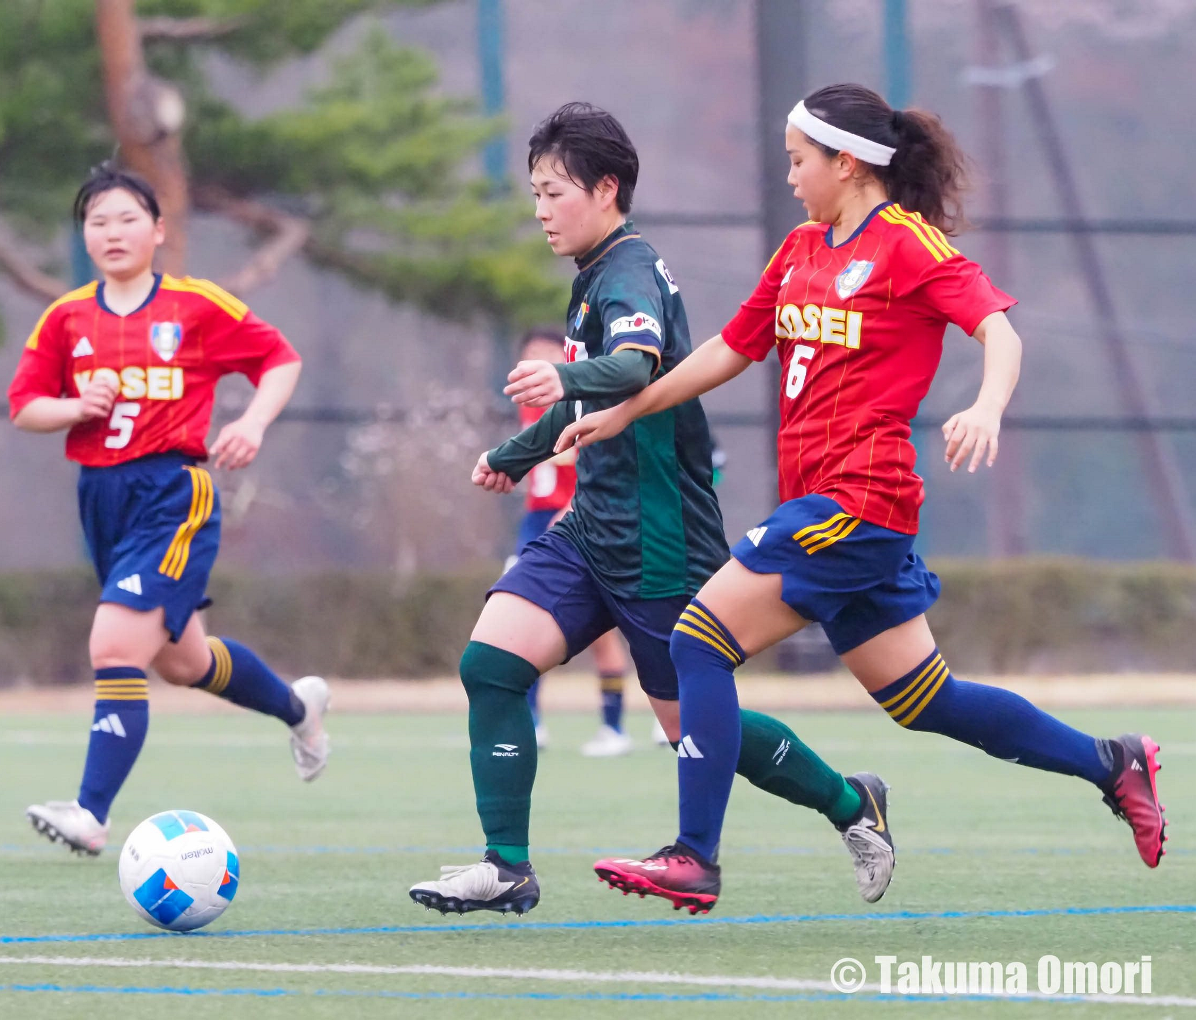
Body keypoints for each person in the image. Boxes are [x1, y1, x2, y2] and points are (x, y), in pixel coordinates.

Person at [557, 83, 1167, 914]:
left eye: (799, 161)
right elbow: (729, 352)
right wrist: (619, 411)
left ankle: (693, 857)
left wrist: (984, 406)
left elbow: (999, 329)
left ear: (848, 164)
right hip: (833, 510)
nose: (791, 177)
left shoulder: (907, 245)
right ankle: (1113, 761)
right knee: (926, 700)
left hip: (859, 499)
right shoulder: (801, 249)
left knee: (698, 638)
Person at [407, 103, 891, 917]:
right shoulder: (594, 276)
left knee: (692, 727)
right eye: (533, 192)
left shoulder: (629, 269)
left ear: (605, 189)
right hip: (592, 526)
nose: (539, 210)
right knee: (491, 664)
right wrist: (516, 455)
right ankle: (507, 867)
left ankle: (851, 803)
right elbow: (594, 400)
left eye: (553, 191)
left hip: (660, 537)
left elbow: (632, 368)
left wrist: (563, 381)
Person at [7, 165, 331, 856]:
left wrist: (253, 423)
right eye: (98, 221)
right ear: (84, 237)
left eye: (127, 218)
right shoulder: (66, 318)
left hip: (172, 493)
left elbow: (281, 359)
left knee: (115, 646)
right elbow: (25, 407)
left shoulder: (195, 306)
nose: (112, 232)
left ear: (159, 230)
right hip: (100, 496)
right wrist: (75, 406)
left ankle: (91, 815)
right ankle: (300, 709)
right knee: (182, 663)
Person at [508, 326, 636, 758]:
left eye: (546, 353)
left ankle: (617, 727)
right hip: (536, 523)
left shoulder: (579, 403)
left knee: (603, 633)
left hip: (573, 521)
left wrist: (566, 518)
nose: (536, 360)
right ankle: (531, 722)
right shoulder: (528, 407)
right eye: (530, 353)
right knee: (518, 627)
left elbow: (578, 461)